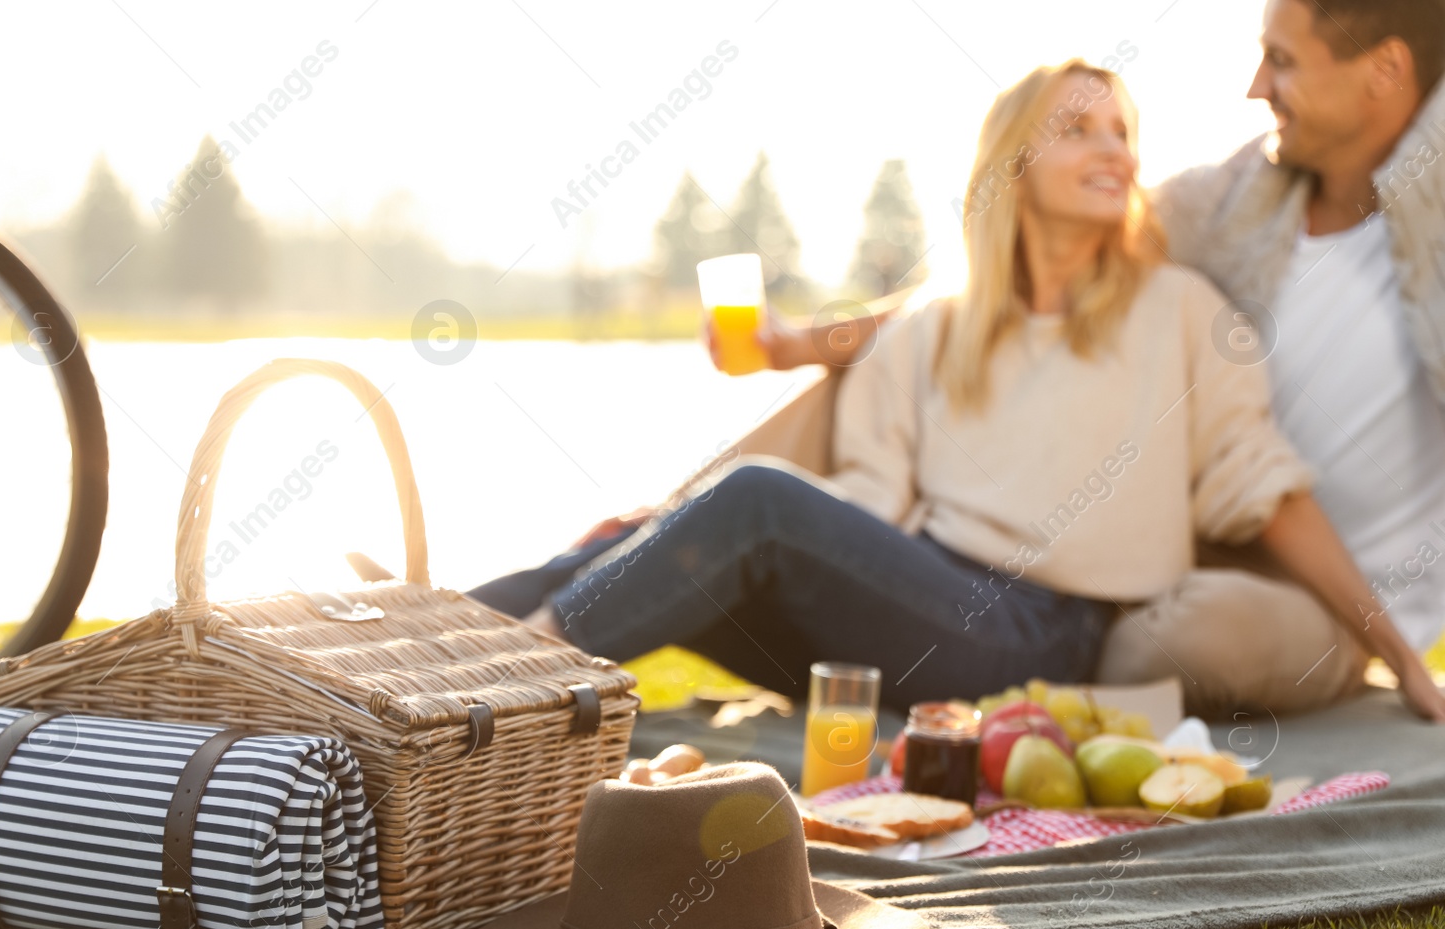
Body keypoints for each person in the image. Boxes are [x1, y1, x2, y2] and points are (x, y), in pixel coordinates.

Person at [471, 59, 1445, 723]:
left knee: (751, 495)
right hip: (909, 606)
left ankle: (505, 693)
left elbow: (1264, 489)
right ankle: (391, 655)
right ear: (1014, 163)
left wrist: (1400, 657)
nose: (1114, 149)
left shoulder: (1182, 312)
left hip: (1038, 632)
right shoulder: (933, 330)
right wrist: (671, 536)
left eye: (1121, 131)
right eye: (1078, 130)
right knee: (612, 548)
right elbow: (866, 504)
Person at [721, 0, 1445, 718]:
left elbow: (1257, 477)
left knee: (1179, 636)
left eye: (1281, 60)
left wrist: (1407, 664)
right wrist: (796, 345)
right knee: (775, 477)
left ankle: (1048, 692)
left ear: (1386, 69)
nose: (1255, 87)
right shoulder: (1225, 203)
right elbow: (997, 283)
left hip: (1334, 602)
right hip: (1179, 565)